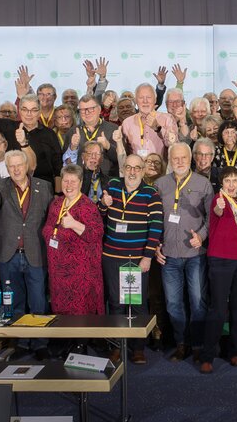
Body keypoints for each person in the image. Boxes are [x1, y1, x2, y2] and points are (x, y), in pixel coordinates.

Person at [98, 152, 162, 364]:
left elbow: (156, 228)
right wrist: (103, 204)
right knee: (115, 303)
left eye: (137, 168)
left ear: (143, 171)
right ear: (123, 169)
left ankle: (137, 348)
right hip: (111, 256)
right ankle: (116, 346)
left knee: (136, 304)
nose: (132, 172)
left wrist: (148, 257)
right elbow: (100, 213)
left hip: (135, 259)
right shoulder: (113, 185)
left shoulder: (151, 193)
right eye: (129, 167)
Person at [154, 142, 211, 362]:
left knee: (198, 302)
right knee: (173, 304)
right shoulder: (160, 184)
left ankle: (197, 345)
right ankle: (181, 343)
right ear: (169, 160)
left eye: (183, 158)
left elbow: (210, 218)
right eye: (175, 158)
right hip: (168, 255)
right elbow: (154, 218)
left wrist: (202, 236)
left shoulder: (203, 184)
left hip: (195, 255)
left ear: (191, 159)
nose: (179, 162)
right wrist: (156, 244)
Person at [0, 150, 54, 319]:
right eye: (11, 166)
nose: (16, 170)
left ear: (26, 166)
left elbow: (51, 217)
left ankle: (39, 343)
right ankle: (19, 342)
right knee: (13, 303)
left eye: (19, 165)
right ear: (7, 169)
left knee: (38, 301)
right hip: (9, 254)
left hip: (36, 251)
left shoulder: (44, 186)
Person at [197, 168, 237, 373]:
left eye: (235, 180)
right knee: (218, 310)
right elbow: (218, 212)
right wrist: (219, 207)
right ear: (221, 183)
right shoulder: (218, 200)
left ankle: (235, 351)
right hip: (221, 260)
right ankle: (207, 355)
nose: (231, 184)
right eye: (227, 180)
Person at [45, 166, 105, 316]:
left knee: (81, 311)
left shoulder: (87, 206)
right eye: (66, 181)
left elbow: (96, 234)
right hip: (58, 271)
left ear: (80, 183)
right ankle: (66, 339)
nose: (68, 185)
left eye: (73, 181)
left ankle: (82, 340)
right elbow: (47, 228)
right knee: (60, 311)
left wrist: (74, 224)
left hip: (80, 272)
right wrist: (53, 235)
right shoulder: (56, 204)